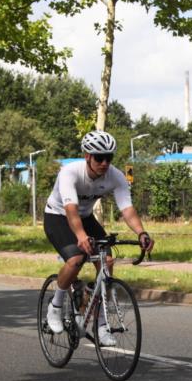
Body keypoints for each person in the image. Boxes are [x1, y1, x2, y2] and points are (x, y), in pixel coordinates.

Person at [42, 130, 154, 345]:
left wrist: (141, 232)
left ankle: (101, 324)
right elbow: (70, 208)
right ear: (87, 156)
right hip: (58, 216)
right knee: (75, 259)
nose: (104, 163)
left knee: (107, 262)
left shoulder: (116, 176)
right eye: (99, 157)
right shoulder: (69, 173)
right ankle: (55, 307)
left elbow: (127, 209)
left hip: (84, 217)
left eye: (109, 158)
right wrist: (81, 236)